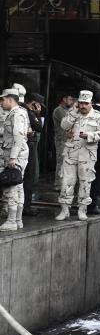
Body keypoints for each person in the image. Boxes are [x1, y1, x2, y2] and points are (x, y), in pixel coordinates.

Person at [56, 90, 100, 221]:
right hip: (70, 153)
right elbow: (64, 125)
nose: (83, 106)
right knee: (66, 181)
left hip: (87, 154)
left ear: (91, 103)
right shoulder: (72, 113)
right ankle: (64, 210)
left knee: (85, 182)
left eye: (86, 103)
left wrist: (89, 135)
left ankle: (82, 209)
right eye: (81, 103)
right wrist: (73, 112)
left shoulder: (98, 116)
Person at [0, 89, 29, 231]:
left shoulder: (17, 114)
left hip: (15, 156)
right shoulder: (19, 112)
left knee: (11, 186)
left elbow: (18, 137)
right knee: (18, 186)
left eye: (2, 99)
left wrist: (12, 157)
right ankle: (18, 220)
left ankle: (11, 221)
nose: (1, 102)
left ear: (10, 99)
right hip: (18, 154)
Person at [22, 93, 45, 216]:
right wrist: (37, 114)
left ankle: (25, 205)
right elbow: (39, 127)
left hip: (26, 147)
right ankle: (26, 206)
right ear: (34, 103)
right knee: (29, 177)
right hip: (28, 147)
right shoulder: (28, 112)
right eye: (39, 105)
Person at [53, 94, 75, 190]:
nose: (71, 101)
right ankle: (58, 184)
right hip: (61, 139)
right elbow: (68, 123)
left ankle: (64, 184)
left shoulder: (67, 110)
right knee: (61, 162)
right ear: (64, 99)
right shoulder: (59, 110)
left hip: (68, 140)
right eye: (70, 99)